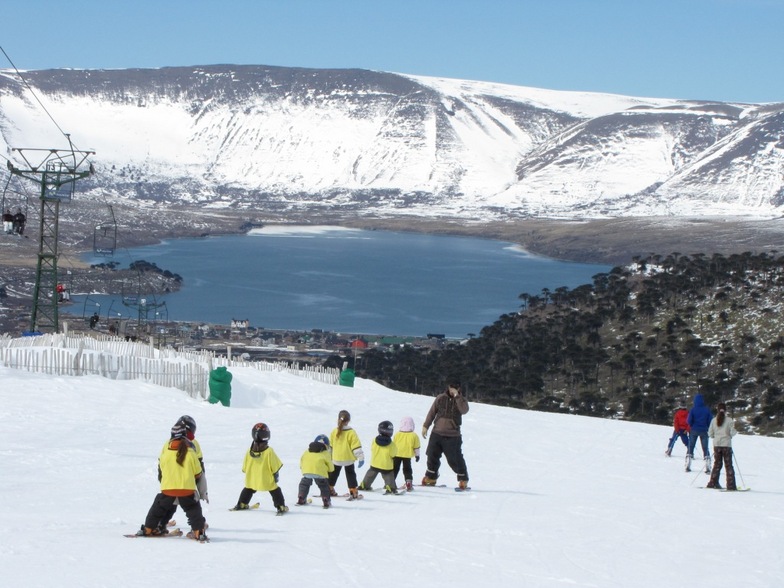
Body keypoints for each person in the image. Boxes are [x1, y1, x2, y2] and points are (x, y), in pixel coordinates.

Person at [136, 421, 208, 541]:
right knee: (193, 509)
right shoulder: (191, 452)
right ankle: (198, 531)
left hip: (168, 489)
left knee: (158, 508)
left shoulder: (166, 453)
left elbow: (162, 471)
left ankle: (148, 528)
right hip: (187, 489)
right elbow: (198, 473)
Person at [421, 378, 470, 489]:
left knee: (455, 459)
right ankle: (431, 477)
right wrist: (425, 426)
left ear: (459, 388)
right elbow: (432, 412)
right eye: (451, 387)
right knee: (432, 455)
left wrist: (457, 396)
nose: (453, 389)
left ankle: (463, 479)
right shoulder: (440, 398)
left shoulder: (462, 400)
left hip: (453, 435)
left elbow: (464, 410)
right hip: (436, 433)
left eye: (455, 387)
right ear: (448, 387)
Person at [231, 423, 288, 514]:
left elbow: (245, 468)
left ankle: (242, 503)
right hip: (266, 480)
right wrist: (275, 476)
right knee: (275, 490)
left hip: (252, 480)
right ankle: (280, 506)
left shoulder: (249, 451)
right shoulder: (269, 451)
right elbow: (275, 467)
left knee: (248, 489)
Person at [327, 409, 365, 500]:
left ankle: (329, 489)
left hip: (336, 459)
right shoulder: (351, 432)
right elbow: (356, 447)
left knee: (333, 474)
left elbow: (330, 447)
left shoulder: (334, 431)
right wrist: (361, 457)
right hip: (348, 459)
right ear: (348, 421)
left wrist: (328, 457)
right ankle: (353, 491)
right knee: (350, 474)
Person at [358, 421, 399, 494]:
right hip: (386, 465)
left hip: (375, 463)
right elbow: (393, 454)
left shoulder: (374, 440)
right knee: (389, 476)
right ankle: (391, 488)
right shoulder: (391, 444)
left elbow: (372, 448)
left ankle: (364, 485)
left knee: (370, 475)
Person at [296, 434, 334, 508]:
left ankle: (301, 498)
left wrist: (303, 468)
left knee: (304, 484)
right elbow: (331, 467)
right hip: (320, 473)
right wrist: (330, 470)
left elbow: (302, 460)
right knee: (323, 486)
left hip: (306, 471)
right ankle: (326, 500)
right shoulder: (325, 453)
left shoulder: (307, 451)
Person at [707, 403, 737, 490]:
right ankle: (731, 485)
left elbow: (710, 433)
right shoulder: (729, 420)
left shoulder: (713, 420)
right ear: (726, 410)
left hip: (716, 445)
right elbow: (732, 433)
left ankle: (713, 483)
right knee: (728, 465)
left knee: (717, 464)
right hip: (726, 445)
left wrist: (716, 437)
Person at [685, 393, 713, 473]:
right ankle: (707, 463)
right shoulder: (706, 409)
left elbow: (689, 421)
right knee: (705, 447)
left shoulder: (693, 409)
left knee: (691, 446)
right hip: (704, 430)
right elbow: (710, 420)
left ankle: (688, 462)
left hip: (694, 430)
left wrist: (691, 425)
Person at [392, 416, 421, 491]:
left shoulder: (397, 434)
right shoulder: (414, 435)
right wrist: (417, 455)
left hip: (397, 455)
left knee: (395, 469)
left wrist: (391, 454)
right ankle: (408, 482)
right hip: (407, 456)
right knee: (407, 469)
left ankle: (390, 482)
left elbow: (393, 445)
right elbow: (416, 447)